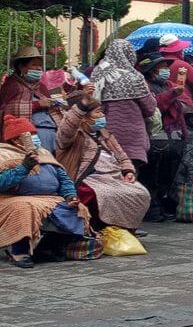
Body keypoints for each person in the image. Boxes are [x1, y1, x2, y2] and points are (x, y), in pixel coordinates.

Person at [0, 115, 89, 268]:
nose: (35, 138)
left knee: (76, 209)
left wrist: (70, 195)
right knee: (24, 208)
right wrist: (24, 167)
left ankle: (48, 247)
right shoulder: (4, 155)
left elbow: (63, 178)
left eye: (35, 134)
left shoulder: (44, 153)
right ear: (16, 140)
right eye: (30, 135)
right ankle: (18, 251)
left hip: (49, 199)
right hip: (13, 198)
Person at [56, 96, 150, 232]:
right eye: (98, 112)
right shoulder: (72, 137)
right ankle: (97, 229)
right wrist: (82, 105)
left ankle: (124, 228)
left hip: (114, 176)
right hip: (90, 178)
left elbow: (122, 157)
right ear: (84, 117)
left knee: (141, 192)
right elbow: (67, 126)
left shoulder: (106, 135)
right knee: (102, 195)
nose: (102, 116)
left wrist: (128, 171)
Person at [90, 40, 158, 168]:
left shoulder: (98, 75)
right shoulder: (135, 77)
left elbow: (94, 105)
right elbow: (150, 108)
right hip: (134, 138)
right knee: (131, 176)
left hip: (106, 136)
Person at [138, 53, 186, 222]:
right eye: (162, 68)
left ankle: (162, 206)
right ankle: (152, 210)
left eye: (166, 67)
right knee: (151, 174)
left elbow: (184, 101)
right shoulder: (147, 87)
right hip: (157, 136)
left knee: (167, 174)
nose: (166, 71)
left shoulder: (168, 84)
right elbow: (153, 107)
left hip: (174, 136)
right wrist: (172, 94)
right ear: (152, 71)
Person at [0, 47, 60, 145]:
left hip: (52, 133)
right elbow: (7, 111)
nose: (39, 68)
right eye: (34, 64)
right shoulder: (12, 85)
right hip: (29, 137)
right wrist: (37, 104)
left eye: (40, 65)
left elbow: (52, 108)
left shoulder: (41, 87)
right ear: (21, 67)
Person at [159, 33, 193, 107]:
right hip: (181, 103)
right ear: (178, 50)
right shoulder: (182, 65)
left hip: (161, 103)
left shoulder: (155, 65)